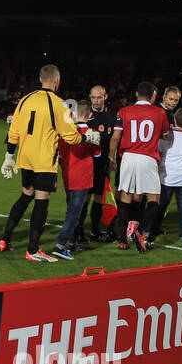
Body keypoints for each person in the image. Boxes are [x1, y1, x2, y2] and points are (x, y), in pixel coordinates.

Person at [0, 65, 97, 262]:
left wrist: (9, 156)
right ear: (57, 80)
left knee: (26, 196)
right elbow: (70, 137)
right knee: (41, 203)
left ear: (40, 79)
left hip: (25, 159)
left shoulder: (25, 99)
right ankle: (33, 250)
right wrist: (88, 138)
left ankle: (4, 240)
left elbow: (13, 131)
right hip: (44, 162)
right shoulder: (59, 104)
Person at [109, 81, 171, 253]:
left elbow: (115, 137)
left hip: (128, 157)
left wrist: (112, 157)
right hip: (147, 157)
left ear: (136, 94)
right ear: (153, 96)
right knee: (154, 200)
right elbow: (165, 136)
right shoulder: (160, 112)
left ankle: (122, 240)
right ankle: (139, 231)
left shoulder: (124, 111)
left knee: (125, 198)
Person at [51, 100, 99, 260]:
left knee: (71, 210)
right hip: (83, 178)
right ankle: (60, 245)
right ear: (90, 115)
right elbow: (98, 154)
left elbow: (61, 155)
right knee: (74, 213)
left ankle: (72, 241)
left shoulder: (67, 133)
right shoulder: (91, 132)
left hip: (68, 176)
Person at [149, 107, 182, 248]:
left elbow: (159, 152)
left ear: (174, 120)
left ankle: (150, 234)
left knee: (159, 207)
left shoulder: (168, 135)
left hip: (167, 177)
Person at [82, 85, 118, 242]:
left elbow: (114, 141)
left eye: (99, 97)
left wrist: (112, 158)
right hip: (86, 166)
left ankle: (95, 231)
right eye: (93, 97)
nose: (96, 101)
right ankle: (78, 231)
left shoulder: (112, 117)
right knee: (85, 199)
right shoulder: (85, 117)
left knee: (98, 198)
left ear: (106, 97)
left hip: (103, 165)